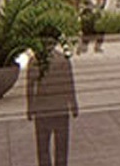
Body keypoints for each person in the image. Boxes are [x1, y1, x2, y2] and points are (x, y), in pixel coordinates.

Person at [27, 37, 79, 166]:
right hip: (61, 108)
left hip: (42, 110)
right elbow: (69, 83)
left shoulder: (35, 61)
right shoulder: (63, 60)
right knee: (61, 146)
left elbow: (30, 86)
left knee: (43, 147)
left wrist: (30, 108)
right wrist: (73, 104)